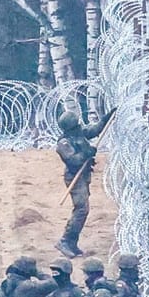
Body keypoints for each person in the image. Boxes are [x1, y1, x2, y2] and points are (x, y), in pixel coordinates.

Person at [55, 107, 108, 259]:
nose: (80, 126)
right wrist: (86, 153)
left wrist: (105, 118)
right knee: (81, 209)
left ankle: (72, 243)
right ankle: (65, 241)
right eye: (77, 124)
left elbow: (94, 130)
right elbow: (74, 161)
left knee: (83, 209)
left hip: (83, 176)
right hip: (74, 178)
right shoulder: (64, 144)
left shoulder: (78, 134)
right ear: (71, 127)